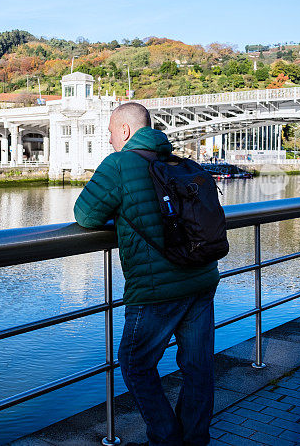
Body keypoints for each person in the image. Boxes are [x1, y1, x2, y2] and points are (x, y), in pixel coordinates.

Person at [74, 102, 220, 446]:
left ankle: (166, 437)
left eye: (111, 133)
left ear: (125, 131)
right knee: (197, 367)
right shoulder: (182, 163)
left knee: (134, 363)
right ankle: (195, 439)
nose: (110, 141)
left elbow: (85, 215)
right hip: (201, 279)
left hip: (156, 288)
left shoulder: (120, 164)